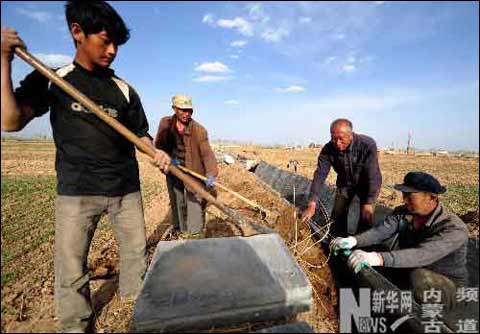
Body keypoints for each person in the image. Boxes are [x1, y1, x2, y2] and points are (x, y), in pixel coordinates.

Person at [1, 2, 170, 332]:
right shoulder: (53, 79)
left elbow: (141, 136)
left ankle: (136, 313)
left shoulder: (124, 90)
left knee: (135, 256)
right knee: (71, 270)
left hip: (125, 190)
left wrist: (156, 153)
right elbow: (10, 120)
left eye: (117, 44)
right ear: (77, 32)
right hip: (77, 192)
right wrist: (3, 61)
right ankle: (76, 327)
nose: (112, 51)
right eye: (105, 40)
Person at [331, 171, 468, 310]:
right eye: (404, 194)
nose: (404, 200)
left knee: (419, 278)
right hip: (411, 267)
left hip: (446, 284)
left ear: (431, 198)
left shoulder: (454, 228)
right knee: (373, 253)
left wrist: (378, 258)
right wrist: (353, 240)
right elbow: (379, 232)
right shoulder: (404, 213)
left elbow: (423, 254)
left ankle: (422, 318)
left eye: (410, 196)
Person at [301, 118, 382, 237]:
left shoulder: (367, 145)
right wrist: (312, 203)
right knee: (337, 214)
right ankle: (335, 240)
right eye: (333, 138)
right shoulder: (328, 149)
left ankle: (362, 247)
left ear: (350, 135)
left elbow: (372, 175)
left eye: (341, 139)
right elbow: (320, 175)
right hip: (344, 184)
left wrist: (369, 203)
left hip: (367, 185)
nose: (337, 143)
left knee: (365, 217)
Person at [154, 94, 218, 235]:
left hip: (194, 169)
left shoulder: (199, 130)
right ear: (174, 109)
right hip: (174, 167)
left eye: (189, 110)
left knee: (194, 200)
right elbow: (159, 145)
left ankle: (194, 234)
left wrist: (211, 174)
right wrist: (169, 159)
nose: (186, 113)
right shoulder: (166, 124)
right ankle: (180, 229)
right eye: (182, 110)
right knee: (177, 199)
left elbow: (207, 155)